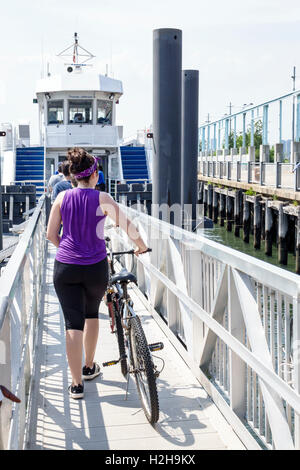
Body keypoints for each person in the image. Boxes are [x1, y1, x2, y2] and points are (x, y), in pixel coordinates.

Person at [46, 147, 149, 400]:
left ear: (73, 176)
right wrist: (141, 247)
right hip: (95, 268)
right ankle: (89, 366)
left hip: (66, 268)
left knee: (73, 323)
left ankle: (76, 385)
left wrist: (69, 251)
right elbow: (128, 227)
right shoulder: (103, 199)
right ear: (94, 176)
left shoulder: (61, 199)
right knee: (91, 314)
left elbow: (50, 235)